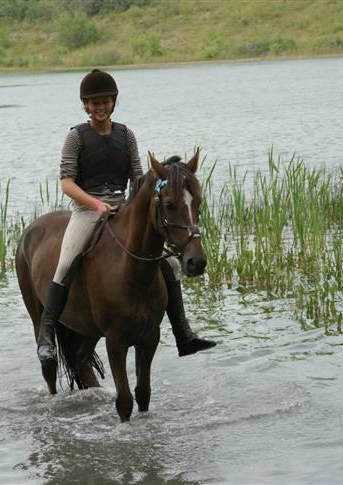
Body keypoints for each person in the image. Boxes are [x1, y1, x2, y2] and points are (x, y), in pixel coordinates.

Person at [36, 69, 216, 364]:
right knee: (66, 260)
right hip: (87, 210)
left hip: (121, 206)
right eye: (94, 103)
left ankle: (184, 333)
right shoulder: (76, 137)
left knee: (169, 262)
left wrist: (162, 182)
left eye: (105, 101)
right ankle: (46, 336)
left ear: (113, 102)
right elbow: (67, 182)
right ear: (85, 105)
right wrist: (95, 205)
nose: (100, 107)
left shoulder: (125, 135)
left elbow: (137, 178)